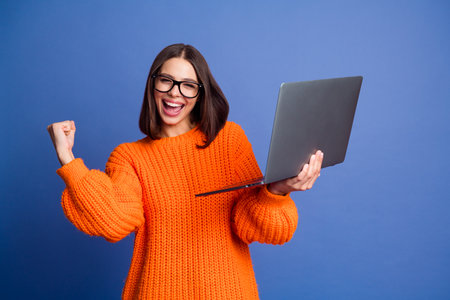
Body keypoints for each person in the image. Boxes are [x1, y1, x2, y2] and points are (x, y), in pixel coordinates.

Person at [47, 43, 323, 299]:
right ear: (152, 84)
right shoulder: (129, 156)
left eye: (188, 85)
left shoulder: (229, 140)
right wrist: (67, 158)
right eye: (166, 80)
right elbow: (112, 219)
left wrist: (277, 191)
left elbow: (254, 226)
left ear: (200, 93)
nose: (174, 93)